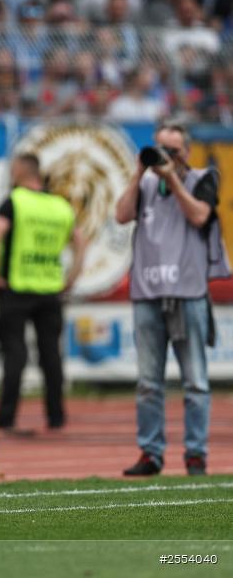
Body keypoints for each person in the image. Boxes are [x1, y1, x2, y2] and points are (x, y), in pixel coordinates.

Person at [115, 122, 227, 476]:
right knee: (148, 382)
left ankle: (195, 454)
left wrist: (174, 179)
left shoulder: (202, 179)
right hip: (148, 293)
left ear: (186, 153)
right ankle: (151, 453)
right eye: (159, 148)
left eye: (172, 151)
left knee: (195, 382)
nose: (165, 156)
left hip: (189, 292)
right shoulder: (146, 184)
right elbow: (121, 215)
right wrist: (139, 173)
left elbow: (199, 215)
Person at [0, 153, 87, 430]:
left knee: (15, 353)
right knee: (51, 355)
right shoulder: (60, 206)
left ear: (19, 171)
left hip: (17, 288)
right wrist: (71, 278)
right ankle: (56, 415)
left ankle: (6, 415)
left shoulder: (14, 201)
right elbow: (80, 242)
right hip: (51, 290)